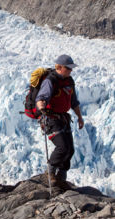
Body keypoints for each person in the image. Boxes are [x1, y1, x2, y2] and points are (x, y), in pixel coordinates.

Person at [35, 54, 84, 187]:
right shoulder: (50, 81)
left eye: (71, 68)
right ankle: (50, 172)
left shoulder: (69, 81)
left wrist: (79, 117)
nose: (71, 70)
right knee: (62, 147)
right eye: (68, 68)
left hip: (63, 118)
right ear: (60, 67)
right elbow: (41, 97)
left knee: (70, 149)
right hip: (51, 119)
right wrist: (42, 107)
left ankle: (61, 176)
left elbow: (74, 102)